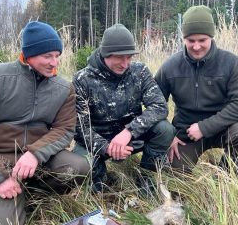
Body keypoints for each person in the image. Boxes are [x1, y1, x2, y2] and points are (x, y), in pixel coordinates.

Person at [0, 21, 90, 225]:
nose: (54, 63)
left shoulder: (64, 89)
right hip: (0, 162)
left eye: (57, 55)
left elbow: (65, 129)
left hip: (40, 162)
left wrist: (35, 154)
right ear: (28, 54)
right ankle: (6, 192)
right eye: (47, 56)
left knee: (79, 167)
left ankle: (33, 192)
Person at [155, 5, 238, 173]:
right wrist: (168, 135)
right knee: (173, 176)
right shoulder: (170, 67)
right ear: (184, 39)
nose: (196, 47)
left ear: (211, 37)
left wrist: (204, 127)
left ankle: (225, 177)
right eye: (191, 41)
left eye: (202, 40)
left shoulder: (231, 63)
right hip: (185, 133)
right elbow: (154, 104)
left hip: (223, 127)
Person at [73, 23, 174, 193]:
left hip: (131, 137)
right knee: (81, 166)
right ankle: (99, 181)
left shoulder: (139, 71)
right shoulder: (82, 79)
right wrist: (107, 147)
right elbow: (79, 128)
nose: (125, 63)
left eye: (129, 57)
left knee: (165, 129)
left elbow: (160, 107)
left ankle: (146, 177)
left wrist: (128, 132)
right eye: (120, 57)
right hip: (97, 141)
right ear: (105, 54)